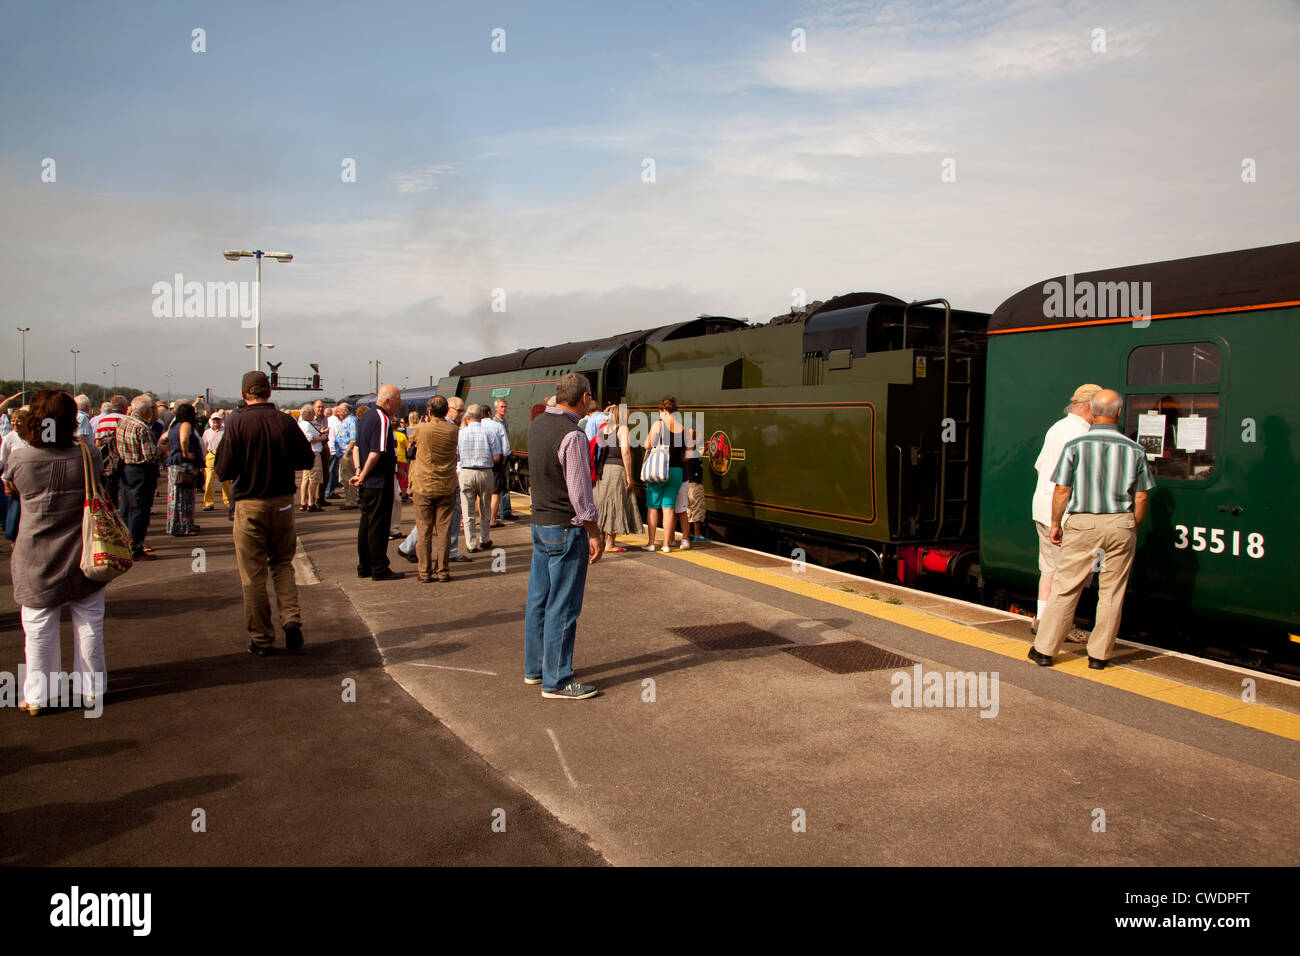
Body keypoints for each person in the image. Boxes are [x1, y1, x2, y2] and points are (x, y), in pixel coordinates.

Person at [1029, 389, 1155, 670]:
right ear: (1119, 413)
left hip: (1083, 522)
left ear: (1094, 411)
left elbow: (1062, 489)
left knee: (1066, 587)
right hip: (1121, 521)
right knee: (1112, 591)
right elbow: (1142, 496)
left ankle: (1045, 651)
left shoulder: (1076, 445)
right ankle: (1099, 656)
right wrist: (1131, 525)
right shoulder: (1135, 449)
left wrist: (1055, 523)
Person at [3, 391, 108, 714]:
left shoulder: (21, 458)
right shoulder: (87, 453)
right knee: (89, 620)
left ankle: (38, 695)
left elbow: (12, 488)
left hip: (35, 552)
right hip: (83, 550)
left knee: (38, 625)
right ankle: (92, 690)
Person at [215, 371, 316, 656]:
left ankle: (261, 638)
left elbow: (223, 470)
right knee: (283, 564)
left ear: (244, 393)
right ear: (269, 392)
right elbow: (306, 459)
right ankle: (291, 618)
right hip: (283, 502)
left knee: (253, 575)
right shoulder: (285, 421)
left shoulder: (236, 424)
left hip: (250, 505)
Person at [525, 373, 603, 699]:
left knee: (538, 601)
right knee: (564, 606)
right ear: (583, 398)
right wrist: (595, 531)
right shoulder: (573, 435)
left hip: (540, 524)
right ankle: (557, 681)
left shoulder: (538, 424)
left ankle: (536, 668)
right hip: (565, 528)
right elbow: (580, 493)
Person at [1030, 384, 1099, 635]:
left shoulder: (1056, 428)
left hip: (1043, 508)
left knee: (1048, 570)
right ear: (1090, 405)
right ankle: (1061, 627)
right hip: (1065, 513)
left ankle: (1042, 619)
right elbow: (1069, 481)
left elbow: (1040, 467)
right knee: (1069, 576)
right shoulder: (1083, 434)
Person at [350, 385, 404, 580]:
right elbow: (376, 453)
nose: (400, 402)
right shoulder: (382, 419)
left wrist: (358, 472)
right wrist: (363, 475)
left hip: (368, 481)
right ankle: (379, 568)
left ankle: (364, 566)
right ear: (388, 400)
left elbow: (357, 448)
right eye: (398, 398)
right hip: (378, 481)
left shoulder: (365, 418)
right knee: (378, 527)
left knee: (366, 524)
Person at [406, 396, 459, 582]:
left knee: (424, 530)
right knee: (444, 531)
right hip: (446, 485)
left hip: (423, 485)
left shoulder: (421, 429)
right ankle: (443, 571)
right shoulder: (454, 430)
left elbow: (411, 443)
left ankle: (425, 572)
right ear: (446, 411)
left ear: (429, 412)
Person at [117, 395, 159, 561]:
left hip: (126, 468)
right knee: (139, 509)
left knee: (126, 508)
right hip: (140, 470)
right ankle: (136, 547)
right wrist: (160, 450)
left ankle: (126, 543)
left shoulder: (123, 422)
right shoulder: (141, 427)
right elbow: (150, 455)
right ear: (147, 410)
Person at [642, 396, 686, 553]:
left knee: (653, 507)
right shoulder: (683, 428)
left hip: (659, 470)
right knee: (668, 508)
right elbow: (686, 454)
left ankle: (652, 543)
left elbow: (647, 445)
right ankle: (667, 544)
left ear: (663, 410)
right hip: (676, 472)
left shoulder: (658, 425)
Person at [593, 405, 639, 553]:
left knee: (602, 504)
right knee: (615, 503)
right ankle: (610, 544)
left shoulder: (603, 429)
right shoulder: (622, 429)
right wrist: (628, 474)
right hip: (617, 469)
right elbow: (625, 451)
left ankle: (600, 540)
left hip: (603, 470)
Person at [457, 404, 500, 553]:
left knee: (467, 511)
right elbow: (496, 457)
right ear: (481, 418)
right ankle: (485, 539)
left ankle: (471, 544)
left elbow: (456, 455)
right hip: (485, 472)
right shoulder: (489, 433)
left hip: (466, 472)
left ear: (467, 418)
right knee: (485, 508)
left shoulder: (460, 433)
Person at [164, 402, 203, 536]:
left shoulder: (174, 426)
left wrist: (169, 452)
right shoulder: (186, 425)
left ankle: (178, 524)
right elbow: (184, 439)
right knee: (184, 497)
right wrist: (185, 453)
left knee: (175, 496)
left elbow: (161, 440)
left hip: (175, 464)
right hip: (184, 465)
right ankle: (184, 526)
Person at [1, 407, 32, 546]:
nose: (15, 423)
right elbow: (3, 462)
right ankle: (14, 543)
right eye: (13, 420)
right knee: (15, 517)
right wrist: (6, 485)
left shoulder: (34, 437)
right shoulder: (9, 438)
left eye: (19, 420)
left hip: (31, 483)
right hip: (14, 484)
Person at [481, 404, 510, 527]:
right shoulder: (497, 426)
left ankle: (483, 518)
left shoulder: (471, 428)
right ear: (490, 413)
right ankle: (492, 519)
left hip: (479, 464)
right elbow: (506, 448)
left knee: (481, 492)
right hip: (496, 463)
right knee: (495, 491)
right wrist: (502, 463)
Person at [202, 411, 232, 512]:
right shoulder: (207, 432)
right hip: (211, 455)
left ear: (221, 421)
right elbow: (204, 446)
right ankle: (209, 503)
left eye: (217, 420)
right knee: (209, 480)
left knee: (225, 481)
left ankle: (228, 501)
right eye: (214, 420)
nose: (215, 422)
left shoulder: (226, 431)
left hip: (223, 455)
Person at [298, 404, 325, 513]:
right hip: (314, 453)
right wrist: (322, 437)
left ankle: (303, 502)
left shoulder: (301, 423)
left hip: (307, 453)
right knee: (313, 478)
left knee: (305, 478)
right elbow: (310, 439)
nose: (314, 415)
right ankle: (311, 503)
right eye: (312, 413)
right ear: (308, 414)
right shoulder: (307, 425)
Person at [492, 398, 517, 520]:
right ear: (496, 408)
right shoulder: (495, 423)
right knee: (500, 484)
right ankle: (503, 511)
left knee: (505, 484)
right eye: (501, 407)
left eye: (505, 406)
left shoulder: (505, 421)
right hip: (500, 456)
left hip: (505, 456)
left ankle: (504, 510)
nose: (504, 409)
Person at [333, 403, 359, 509]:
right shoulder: (346, 421)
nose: (337, 413)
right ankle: (350, 500)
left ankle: (351, 502)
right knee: (345, 478)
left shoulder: (351, 421)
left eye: (339, 410)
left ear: (345, 411)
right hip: (344, 453)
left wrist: (347, 452)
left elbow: (353, 439)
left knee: (349, 478)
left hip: (348, 455)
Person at [312, 399, 332, 507]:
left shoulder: (325, 419)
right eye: (318, 407)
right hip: (315, 448)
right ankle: (313, 499)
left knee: (326, 474)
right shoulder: (311, 419)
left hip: (324, 446)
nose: (321, 409)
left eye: (322, 407)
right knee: (316, 474)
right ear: (314, 408)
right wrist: (321, 434)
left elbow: (326, 433)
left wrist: (323, 434)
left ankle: (321, 497)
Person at [324, 403, 343, 499]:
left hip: (328, 448)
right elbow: (339, 436)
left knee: (328, 470)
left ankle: (327, 490)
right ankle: (329, 491)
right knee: (332, 471)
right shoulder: (337, 422)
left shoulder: (327, 420)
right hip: (334, 449)